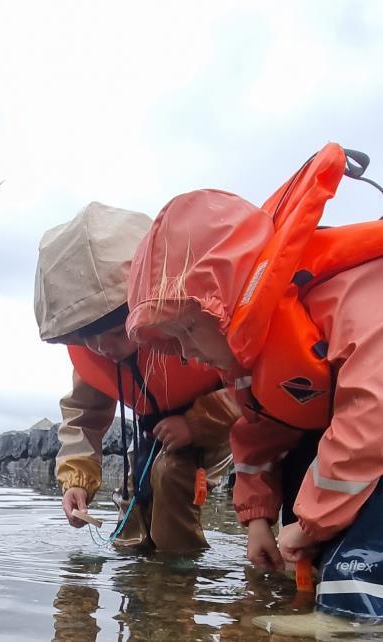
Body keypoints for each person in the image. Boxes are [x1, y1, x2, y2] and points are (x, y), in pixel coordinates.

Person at [123, 143, 383, 617]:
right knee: (314, 571)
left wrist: (309, 523)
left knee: (354, 585)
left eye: (186, 329)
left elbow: (373, 412)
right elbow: (259, 435)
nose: (185, 353)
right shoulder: (248, 359)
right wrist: (259, 520)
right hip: (351, 450)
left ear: (223, 297)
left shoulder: (352, 293)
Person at [34, 202, 237, 552]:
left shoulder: (187, 326)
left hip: (216, 418)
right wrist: (76, 480)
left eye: (113, 333)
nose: (101, 348)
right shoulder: (96, 351)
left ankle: (174, 586)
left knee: (172, 475)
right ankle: (137, 579)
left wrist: (196, 425)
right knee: (133, 506)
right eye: (86, 338)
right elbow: (84, 415)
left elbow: (248, 389)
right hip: (152, 428)